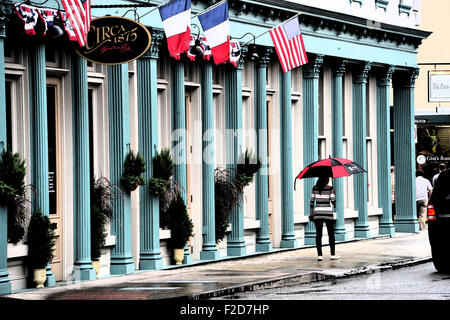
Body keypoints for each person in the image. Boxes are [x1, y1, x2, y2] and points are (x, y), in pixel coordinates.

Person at [310, 176, 338, 261]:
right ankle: (332, 254)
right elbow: (333, 202)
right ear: (326, 179)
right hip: (328, 213)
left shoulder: (315, 188)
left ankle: (320, 255)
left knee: (319, 235)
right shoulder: (330, 188)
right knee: (331, 234)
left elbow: (312, 202)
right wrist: (334, 194)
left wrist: (312, 214)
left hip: (317, 213)